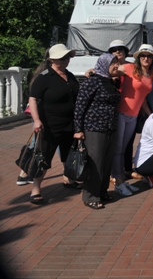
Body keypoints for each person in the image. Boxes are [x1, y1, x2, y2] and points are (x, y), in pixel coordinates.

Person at [24, 44, 80, 205]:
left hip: (69, 124)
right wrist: (37, 120)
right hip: (49, 125)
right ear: (52, 60)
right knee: (44, 158)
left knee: (68, 154)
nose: (66, 60)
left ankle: (68, 179)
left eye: (67, 57)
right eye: (62, 58)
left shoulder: (69, 75)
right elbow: (33, 99)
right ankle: (36, 189)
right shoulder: (44, 77)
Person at [74, 53, 122, 209]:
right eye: (113, 63)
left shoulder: (111, 82)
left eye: (117, 63)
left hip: (110, 127)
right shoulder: (92, 82)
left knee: (106, 162)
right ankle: (90, 196)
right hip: (94, 128)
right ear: (104, 64)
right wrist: (78, 129)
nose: (116, 66)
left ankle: (102, 191)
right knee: (95, 162)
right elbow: (80, 106)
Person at [112, 44, 153, 197]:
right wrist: (91, 71)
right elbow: (109, 71)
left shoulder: (151, 74)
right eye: (143, 55)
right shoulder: (129, 67)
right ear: (138, 57)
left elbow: (142, 98)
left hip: (133, 116)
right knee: (117, 150)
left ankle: (120, 180)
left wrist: (152, 115)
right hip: (121, 113)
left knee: (123, 150)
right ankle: (118, 182)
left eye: (149, 56)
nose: (146, 58)